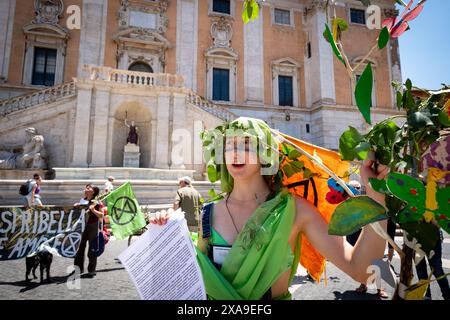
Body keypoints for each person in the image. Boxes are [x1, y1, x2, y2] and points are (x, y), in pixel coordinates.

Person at [151, 117, 389, 300]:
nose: (235, 151)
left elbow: (362, 271)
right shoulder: (208, 213)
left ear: (266, 153)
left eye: (246, 144)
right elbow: (192, 280)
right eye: (230, 145)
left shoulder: (296, 210)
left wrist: (376, 194)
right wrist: (165, 234)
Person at [73, 184, 104, 278]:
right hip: (82, 226)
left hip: (92, 226)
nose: (86, 189)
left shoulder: (97, 202)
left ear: (93, 191)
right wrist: (77, 206)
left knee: (92, 248)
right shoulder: (82, 200)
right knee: (79, 248)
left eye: (88, 188)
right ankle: (78, 269)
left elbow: (101, 215)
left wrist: (93, 210)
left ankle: (91, 270)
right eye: (86, 188)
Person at [415, 227, 450, 300]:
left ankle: (447, 295)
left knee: (437, 269)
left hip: (432, 234)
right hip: (414, 236)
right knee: (420, 269)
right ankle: (426, 296)